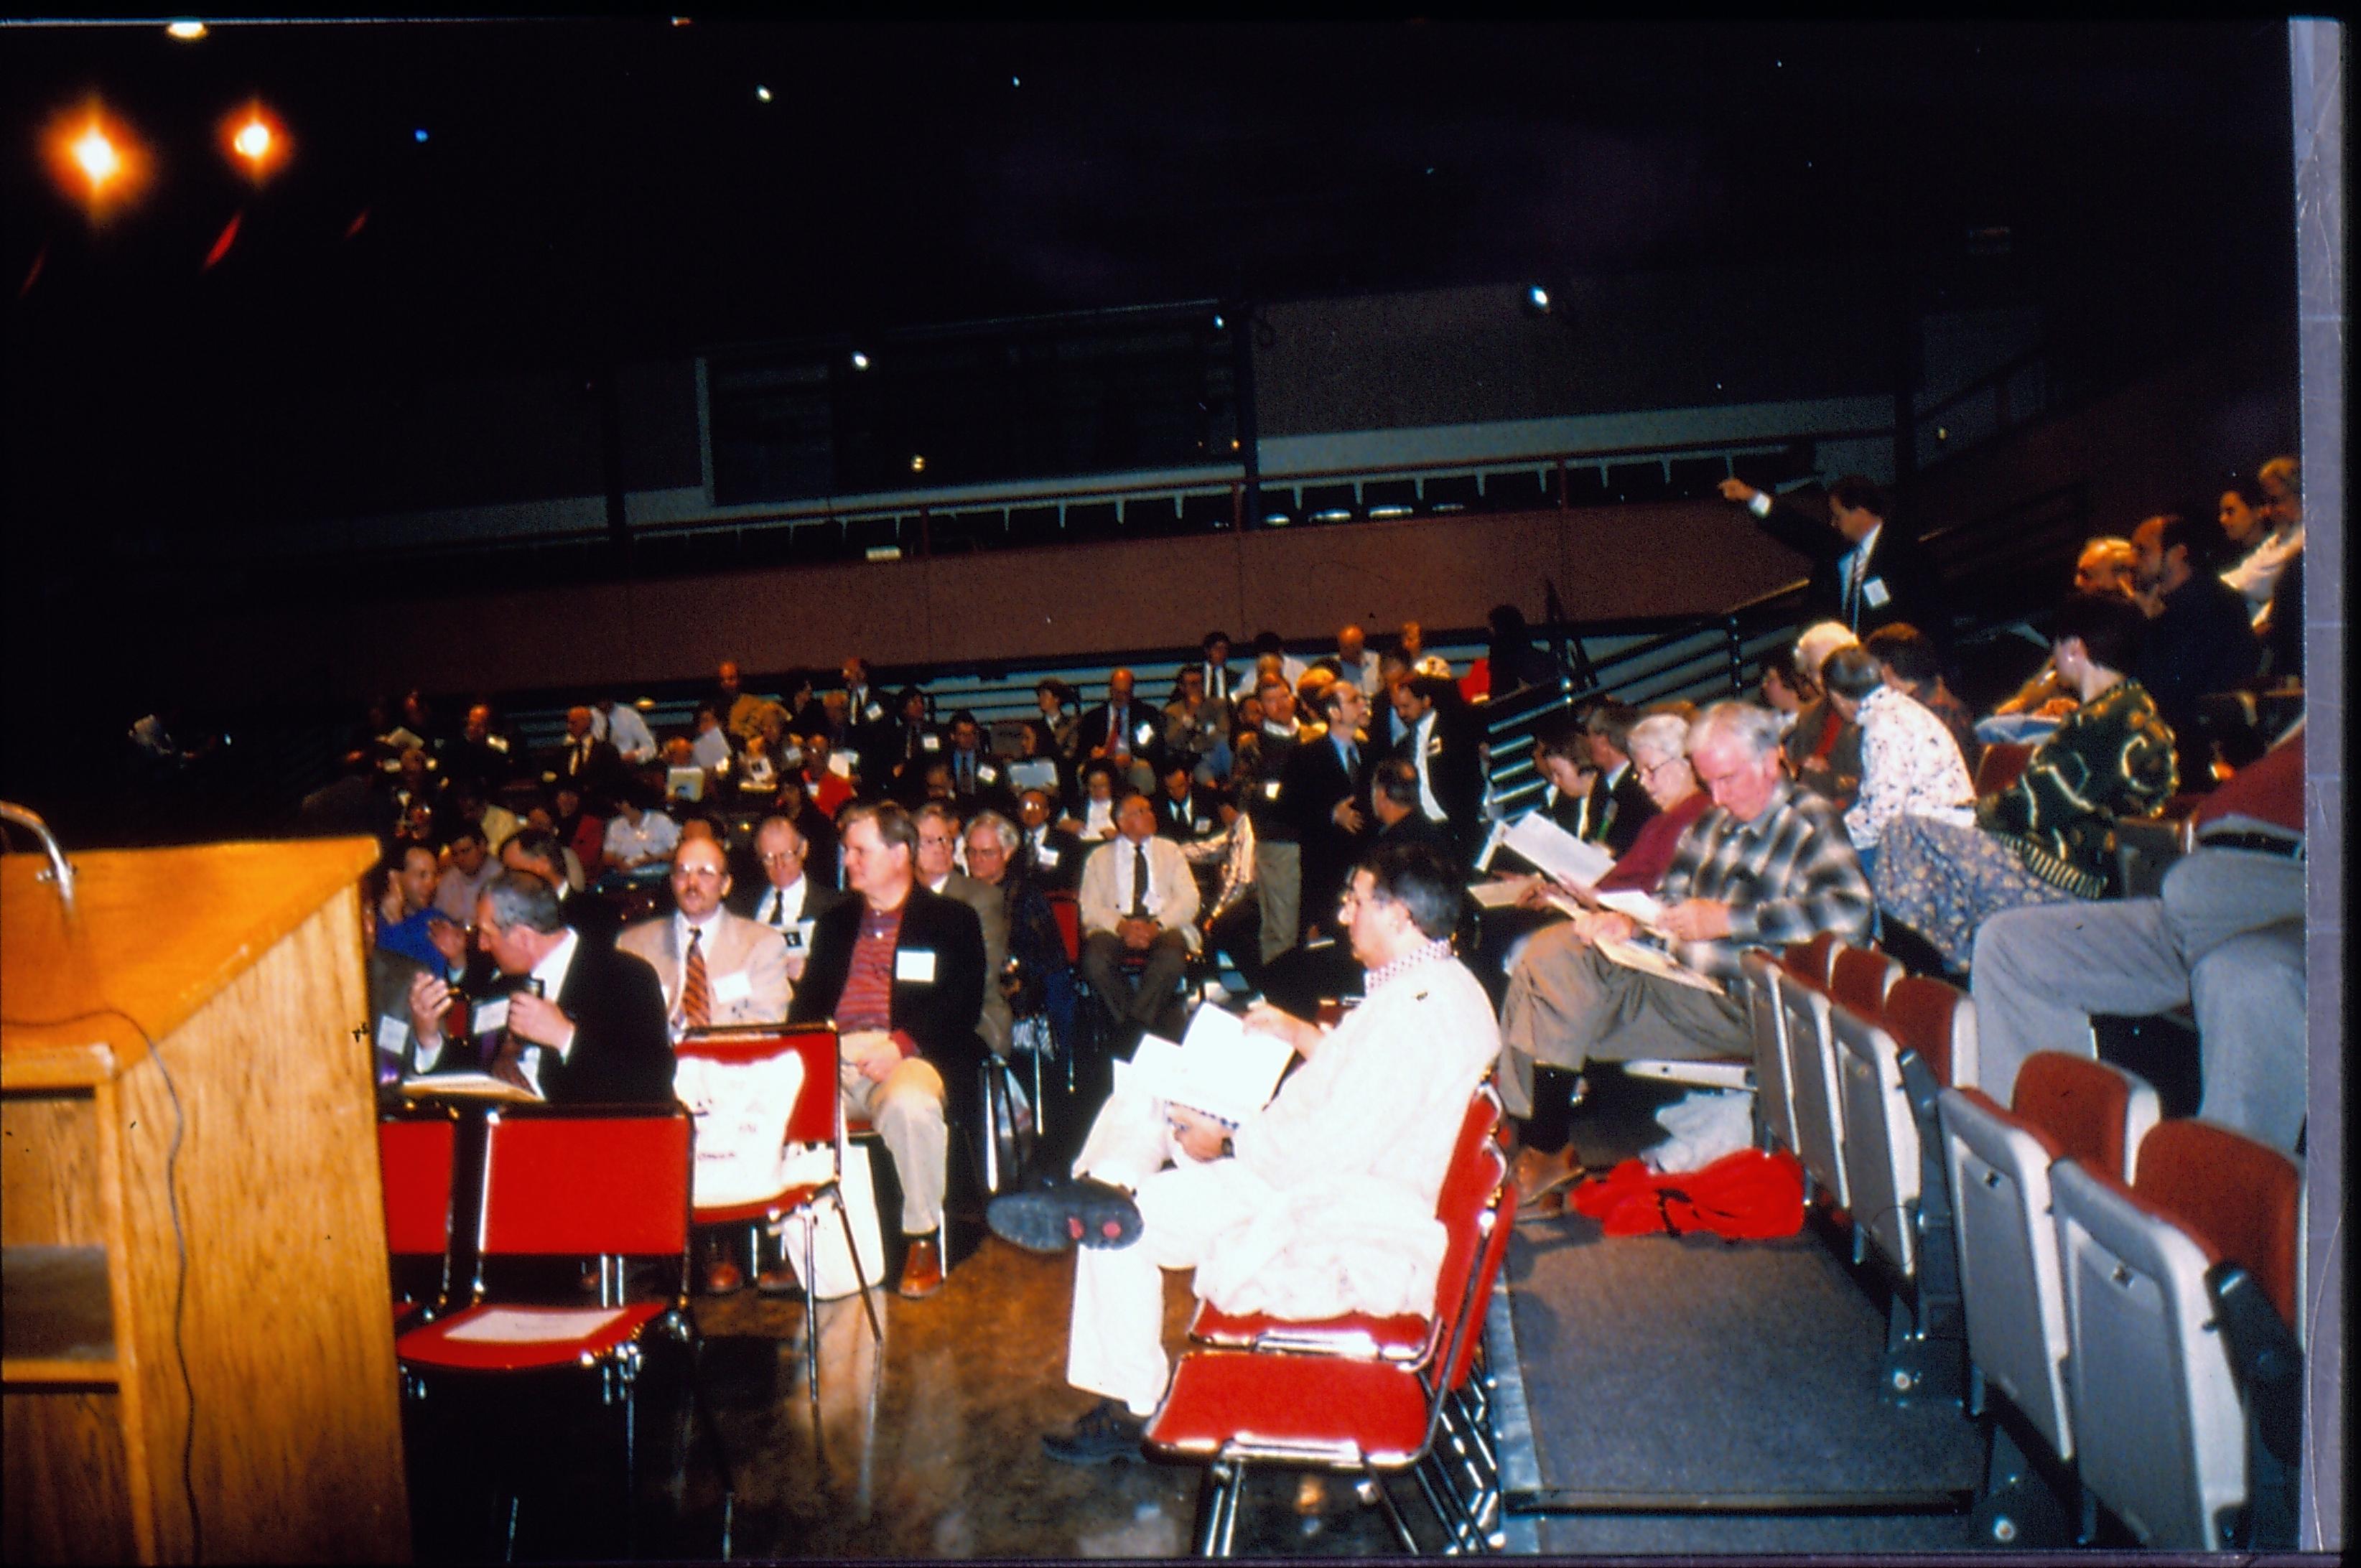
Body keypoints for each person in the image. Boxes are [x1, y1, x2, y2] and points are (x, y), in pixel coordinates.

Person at [992, 841, 1500, 1465]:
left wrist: (1228, 1138)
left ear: (1400, 917)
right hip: (1331, 1172)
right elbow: (1371, 1089)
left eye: (1356, 902)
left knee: (1128, 1217)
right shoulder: (1440, 987)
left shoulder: (1416, 1015)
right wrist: (1301, 1036)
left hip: (1332, 1203)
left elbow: (1330, 1148)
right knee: (1149, 1100)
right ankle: (1106, 1183)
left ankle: (1128, 1390)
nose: (1344, 916)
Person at [1498, 701, 1872, 1135]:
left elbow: (1853, 912)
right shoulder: (1714, 821)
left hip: (1738, 1001)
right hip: (1677, 977)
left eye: (1727, 779)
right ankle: (1524, 1128)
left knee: (1555, 984)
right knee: (1553, 953)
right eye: (1709, 782)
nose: (1716, 797)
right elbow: (1669, 896)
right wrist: (1631, 923)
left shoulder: (1809, 820)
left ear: (1771, 761)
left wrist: (1732, 919)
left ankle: (1536, 1140)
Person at [1968, 727, 2305, 1154]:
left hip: (2292, 894)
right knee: (2011, 946)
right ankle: (2049, 1177)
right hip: (2212, 884)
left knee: (2246, 976)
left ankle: (2214, 1209)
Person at [1877, 592, 2176, 970]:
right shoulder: (2127, 710)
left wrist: (1969, 813)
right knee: (1920, 838)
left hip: (2070, 882)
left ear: (2074, 648)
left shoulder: (2105, 722)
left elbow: (2035, 807)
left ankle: (1942, 972)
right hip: (2081, 869)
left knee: (1904, 831)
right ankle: (1954, 967)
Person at [786, 802, 986, 1300]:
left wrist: (900, 1045)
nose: (848, 860)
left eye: (860, 850)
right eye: (847, 850)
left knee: (909, 1106)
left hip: (912, 1050)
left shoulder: (951, 919)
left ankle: (922, 1236)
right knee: (783, 1106)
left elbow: (961, 1002)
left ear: (899, 853)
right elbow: (808, 1003)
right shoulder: (835, 923)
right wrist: (806, 1052)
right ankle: (809, 1249)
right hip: (834, 1052)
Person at [402, 871, 674, 1105]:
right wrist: (429, 1038)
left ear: (523, 937)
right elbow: (473, 1074)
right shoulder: (499, 986)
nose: (482, 945)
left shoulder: (624, 977)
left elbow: (650, 1085)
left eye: (487, 934)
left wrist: (566, 1038)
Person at [1719, 473, 1945, 640]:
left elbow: (1932, 615)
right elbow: (1797, 528)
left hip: (1891, 660)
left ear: (1860, 513)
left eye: (1838, 516)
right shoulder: (1841, 548)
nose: (1833, 523)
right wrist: (1752, 498)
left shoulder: (1905, 553)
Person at [1820, 644, 1975, 885]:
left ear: (1838, 697)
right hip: (1941, 826)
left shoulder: (1883, 726)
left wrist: (1832, 837)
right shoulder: (1899, 708)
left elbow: (1882, 818)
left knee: (1830, 867)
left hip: (1937, 839)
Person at [2130, 511, 2263, 780]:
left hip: (2200, 742)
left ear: (2177, 554)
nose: (2133, 562)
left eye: (2143, 551)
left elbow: (2171, 685)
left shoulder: (2209, 603)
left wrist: (2146, 628)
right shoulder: (2170, 605)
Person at [616, 836, 790, 1037]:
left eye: (705, 873)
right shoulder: (632, 946)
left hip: (732, 1063)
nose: (692, 883)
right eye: (682, 872)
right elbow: (623, 1027)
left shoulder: (763, 944)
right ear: (672, 882)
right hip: (659, 1064)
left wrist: (700, 1053)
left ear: (725, 885)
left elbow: (765, 1025)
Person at [1076, 794, 1201, 1044]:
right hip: (1116, 925)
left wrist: (1157, 926)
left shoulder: (1170, 850)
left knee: (1172, 959)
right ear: (1122, 822)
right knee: (1095, 961)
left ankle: (1131, 1033)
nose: (1151, 815)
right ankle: (1142, 1029)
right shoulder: (1098, 857)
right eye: (1141, 811)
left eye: (1150, 809)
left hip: (1162, 922)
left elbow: (1189, 899)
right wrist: (1121, 926)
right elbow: (1088, 906)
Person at [915, 802, 1014, 1063]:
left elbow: (984, 976)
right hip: (912, 1019)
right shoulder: (901, 901)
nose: (943, 848)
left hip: (973, 1019)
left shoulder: (981, 898)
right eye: (930, 841)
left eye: (946, 840)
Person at [1282, 677, 1374, 941]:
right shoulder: (1306, 756)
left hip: (1366, 862)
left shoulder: (1371, 752)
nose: (1362, 705)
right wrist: (1332, 814)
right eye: (1354, 700)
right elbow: (1289, 810)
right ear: (1334, 712)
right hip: (1326, 868)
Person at [733, 813, 849, 985]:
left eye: (786, 855)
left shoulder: (835, 908)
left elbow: (840, 972)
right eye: (769, 858)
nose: (779, 866)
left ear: (803, 850)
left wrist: (808, 972)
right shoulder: (740, 907)